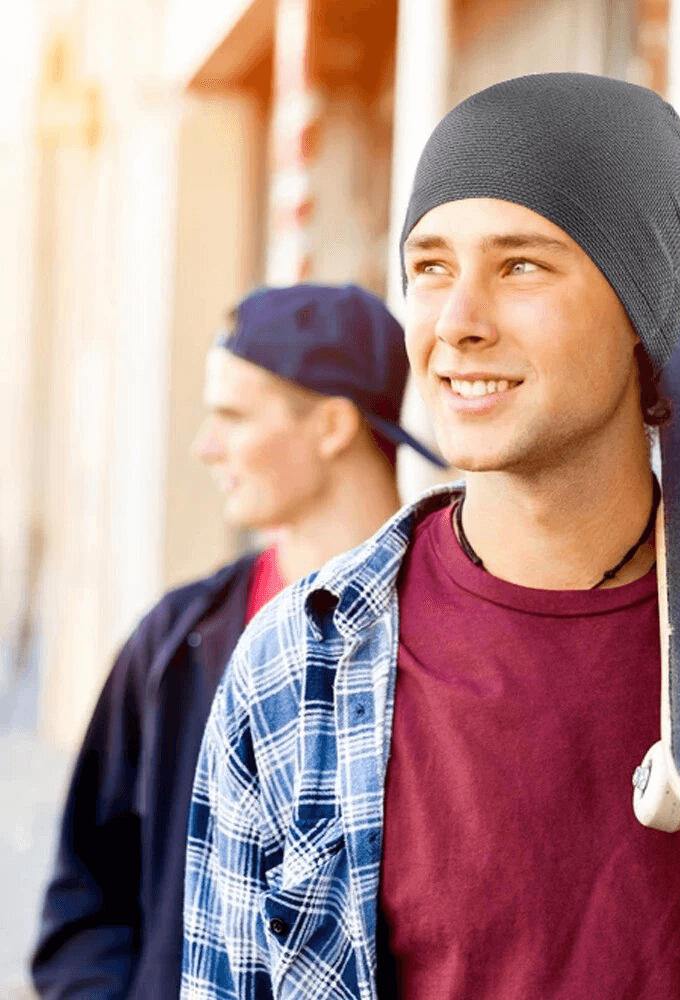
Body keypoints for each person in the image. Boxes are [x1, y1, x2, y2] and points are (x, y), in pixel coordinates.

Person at [181, 75, 680, 1000]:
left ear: (642, 313)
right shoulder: (300, 662)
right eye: (432, 267)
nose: (456, 323)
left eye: (521, 265)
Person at [31, 283, 442, 1000]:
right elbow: (85, 899)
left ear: (332, 426)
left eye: (232, 416)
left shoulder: (448, 635)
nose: (204, 446)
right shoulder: (176, 639)